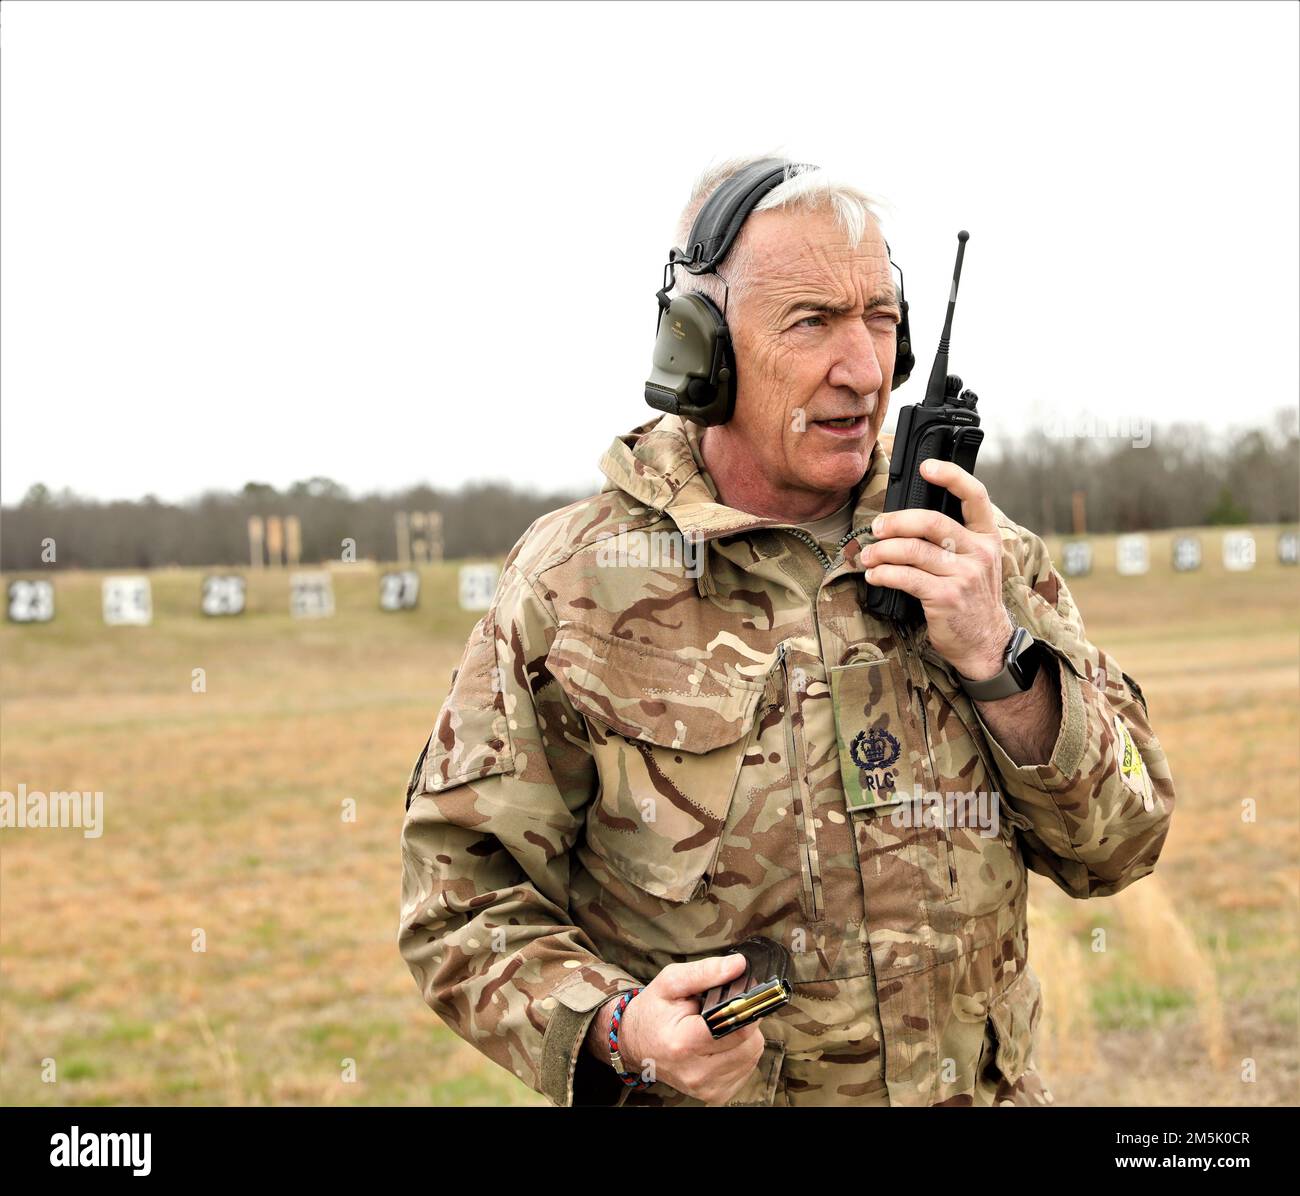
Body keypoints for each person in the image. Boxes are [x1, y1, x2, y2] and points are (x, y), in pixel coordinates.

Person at [397, 155, 1177, 1106]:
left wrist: (1000, 660)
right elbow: (457, 900)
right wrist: (617, 1026)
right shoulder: (572, 585)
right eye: (812, 322)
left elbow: (1125, 841)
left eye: (881, 322)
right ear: (702, 348)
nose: (864, 370)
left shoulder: (977, 551)